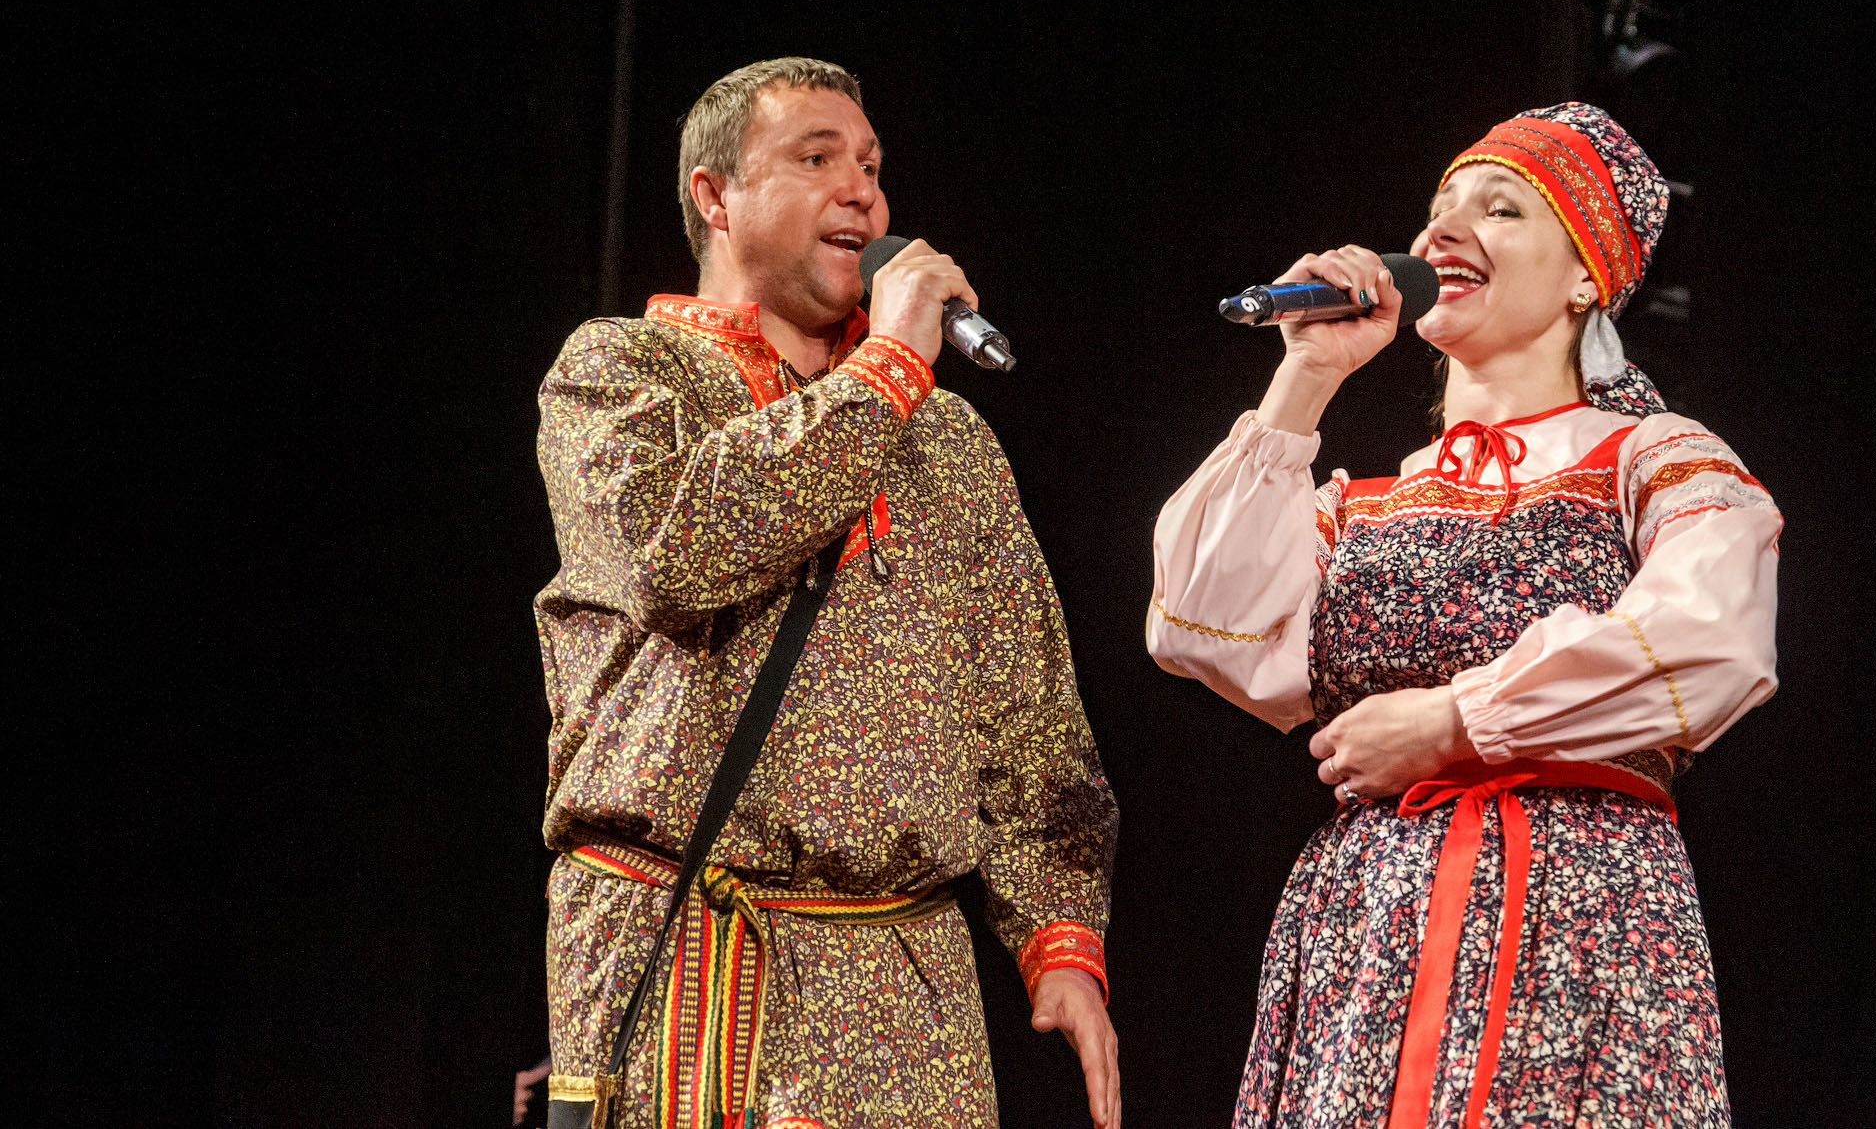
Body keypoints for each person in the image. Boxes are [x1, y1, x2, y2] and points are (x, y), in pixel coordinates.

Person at [1148, 103, 1779, 1127]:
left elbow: (1711, 637)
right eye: (1440, 207)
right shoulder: (1365, 503)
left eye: (1501, 208)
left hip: (1575, 911)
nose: (1444, 229)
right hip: (1370, 926)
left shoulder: (1651, 455)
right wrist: (1306, 373)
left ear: (1586, 278)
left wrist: (1456, 722)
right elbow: (1196, 624)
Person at [536, 58, 1120, 1129]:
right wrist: (888, 364)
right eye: (816, 158)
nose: (862, 192)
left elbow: (1027, 711)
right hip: (688, 949)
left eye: (872, 167)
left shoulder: (947, 437)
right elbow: (675, 553)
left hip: (906, 979)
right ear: (715, 197)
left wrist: (1059, 938)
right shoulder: (618, 371)